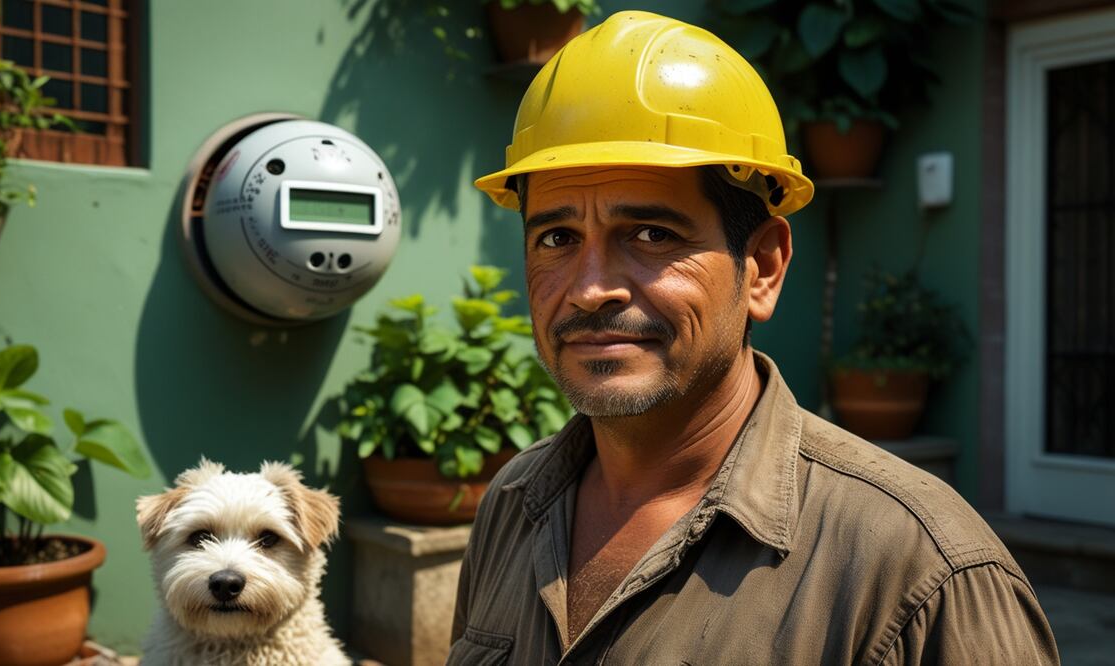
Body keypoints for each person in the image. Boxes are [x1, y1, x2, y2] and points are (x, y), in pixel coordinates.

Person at [447, 10, 1059, 666]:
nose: (591, 289)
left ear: (763, 267)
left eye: (652, 235)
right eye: (557, 238)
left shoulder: (918, 573)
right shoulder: (512, 506)